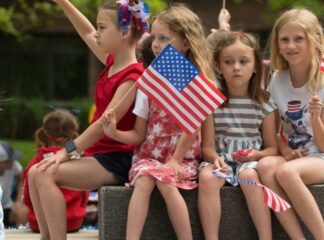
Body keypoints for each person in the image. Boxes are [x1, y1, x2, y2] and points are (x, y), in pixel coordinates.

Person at [27, 0, 147, 239]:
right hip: (98, 155)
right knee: (34, 172)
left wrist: (66, 151)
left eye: (102, 27)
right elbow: (83, 31)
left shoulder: (132, 78)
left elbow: (103, 126)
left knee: (45, 173)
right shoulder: (112, 62)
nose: (96, 33)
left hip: (117, 160)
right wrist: (63, 2)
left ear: (124, 32)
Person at [102, 4, 215, 240]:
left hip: (181, 157)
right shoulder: (150, 81)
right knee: (144, 179)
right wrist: (114, 133)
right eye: (154, 37)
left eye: (164, 38)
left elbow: (192, 125)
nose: (155, 44)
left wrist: (175, 159)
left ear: (186, 42)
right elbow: (138, 134)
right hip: (150, 154)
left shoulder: (194, 81)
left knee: (165, 181)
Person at [257, 8, 324, 240]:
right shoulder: (277, 79)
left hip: (323, 159)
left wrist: (315, 117)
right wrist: (285, 149)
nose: (291, 46)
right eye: (284, 40)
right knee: (266, 166)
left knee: (285, 173)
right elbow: (276, 130)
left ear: (314, 39)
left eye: (299, 39)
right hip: (294, 155)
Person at [198, 32, 278, 240]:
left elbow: (272, 148)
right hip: (221, 160)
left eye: (244, 61)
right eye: (228, 62)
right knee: (207, 177)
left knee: (249, 176)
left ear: (255, 67)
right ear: (218, 67)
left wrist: (254, 155)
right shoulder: (212, 101)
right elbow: (207, 146)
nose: (236, 67)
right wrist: (215, 160)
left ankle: (265, 236)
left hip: (249, 161)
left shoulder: (264, 103)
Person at [22, 109, 89, 232]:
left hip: (39, 223)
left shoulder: (36, 161)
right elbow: (85, 193)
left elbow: (27, 197)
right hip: (72, 222)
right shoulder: (78, 160)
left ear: (45, 134)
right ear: (73, 134)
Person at [0, 141, 26, 227]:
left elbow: (22, 180)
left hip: (6, 206)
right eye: (8, 160)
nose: (13, 162)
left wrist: (18, 202)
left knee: (22, 212)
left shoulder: (13, 165)